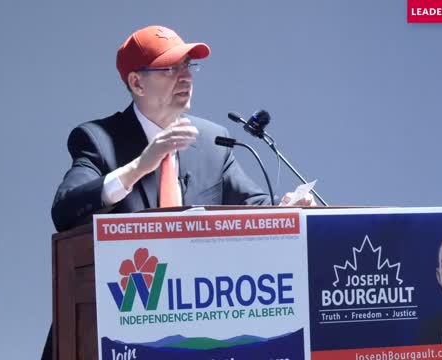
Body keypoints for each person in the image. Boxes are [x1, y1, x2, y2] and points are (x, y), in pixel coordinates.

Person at [42, 25, 315, 359]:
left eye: (188, 66)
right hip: (114, 326)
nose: (185, 76)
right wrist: (140, 165)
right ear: (136, 82)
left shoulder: (212, 141)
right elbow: (65, 211)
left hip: (194, 325)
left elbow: (253, 206)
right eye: (170, 68)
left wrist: (285, 208)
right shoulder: (98, 139)